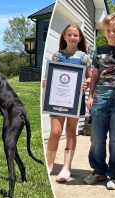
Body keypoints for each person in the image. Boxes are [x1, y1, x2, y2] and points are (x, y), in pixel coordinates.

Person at [83, 13, 115, 190]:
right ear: (104, 32)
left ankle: (114, 175)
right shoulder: (99, 50)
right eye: (109, 30)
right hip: (100, 99)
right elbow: (94, 74)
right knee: (97, 138)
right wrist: (90, 96)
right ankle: (98, 170)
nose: (112, 33)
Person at [43, 24, 92, 182]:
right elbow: (52, 76)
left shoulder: (84, 57)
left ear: (80, 38)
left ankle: (66, 167)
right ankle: (49, 164)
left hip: (75, 101)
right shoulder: (57, 55)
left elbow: (90, 77)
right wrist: (47, 82)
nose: (72, 38)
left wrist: (87, 83)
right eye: (69, 34)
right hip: (57, 100)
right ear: (64, 37)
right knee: (56, 132)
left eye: (75, 35)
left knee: (71, 131)